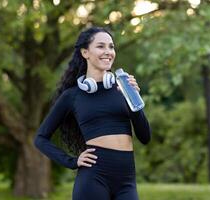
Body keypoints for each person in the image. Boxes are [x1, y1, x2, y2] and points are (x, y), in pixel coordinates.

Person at [34, 26, 151, 200]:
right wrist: (72, 161)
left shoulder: (123, 88)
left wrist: (132, 98)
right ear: (85, 52)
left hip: (126, 179)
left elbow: (145, 136)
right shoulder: (72, 96)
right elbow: (40, 139)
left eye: (111, 47)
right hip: (94, 177)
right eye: (101, 46)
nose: (108, 52)